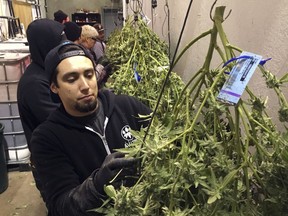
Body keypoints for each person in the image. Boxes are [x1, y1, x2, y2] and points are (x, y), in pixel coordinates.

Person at [30, 41, 152, 216]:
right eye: (71, 79)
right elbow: (60, 206)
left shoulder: (127, 106)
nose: (85, 86)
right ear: (54, 87)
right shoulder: (47, 138)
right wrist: (97, 185)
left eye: (89, 74)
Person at [17, 18, 66, 148]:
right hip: (50, 156)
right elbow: (60, 120)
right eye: (60, 43)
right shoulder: (34, 83)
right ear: (46, 45)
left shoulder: (47, 71)